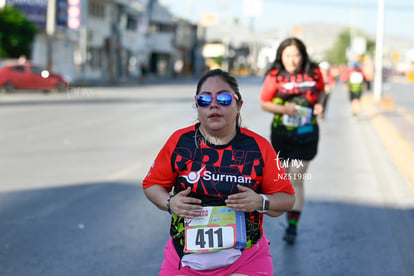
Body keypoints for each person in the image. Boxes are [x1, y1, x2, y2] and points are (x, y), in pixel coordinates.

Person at [142, 68, 295, 275]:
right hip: (184, 260)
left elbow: (286, 199)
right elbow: (152, 185)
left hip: (245, 259)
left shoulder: (258, 147)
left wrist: (260, 202)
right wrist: (169, 203)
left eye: (223, 98)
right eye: (204, 99)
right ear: (197, 106)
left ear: (238, 105)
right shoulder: (180, 142)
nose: (213, 104)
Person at [259, 37, 325, 245]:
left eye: (296, 55)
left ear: (302, 55)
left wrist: (320, 105)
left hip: (306, 134)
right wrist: (284, 109)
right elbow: (264, 103)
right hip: (282, 135)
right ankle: (285, 212)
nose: (292, 60)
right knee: (284, 177)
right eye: (288, 55)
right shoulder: (275, 75)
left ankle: (292, 226)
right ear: (281, 56)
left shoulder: (313, 72)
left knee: (297, 177)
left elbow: (321, 91)